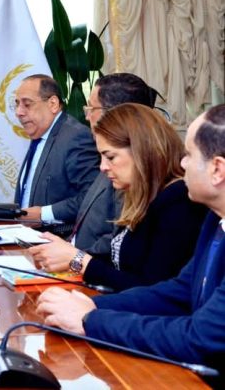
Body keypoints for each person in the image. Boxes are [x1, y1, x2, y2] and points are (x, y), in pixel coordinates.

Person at [36, 104, 225, 377]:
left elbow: (199, 339)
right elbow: (178, 292)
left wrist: (91, 320)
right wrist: (92, 306)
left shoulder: (187, 207)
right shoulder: (215, 221)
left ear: (217, 169)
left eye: (189, 155)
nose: (182, 164)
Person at [31, 103, 207, 291]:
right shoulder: (139, 192)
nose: (102, 167)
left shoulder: (178, 202)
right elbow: (118, 265)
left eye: (110, 157)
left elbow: (153, 289)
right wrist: (68, 254)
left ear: (141, 151)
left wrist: (78, 260)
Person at [38, 73, 159, 259]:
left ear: (114, 113)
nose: (87, 116)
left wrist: (76, 258)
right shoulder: (109, 158)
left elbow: (118, 238)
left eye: (91, 108)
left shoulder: (133, 166)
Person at [13, 75, 99, 225]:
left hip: (59, 236)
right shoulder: (40, 133)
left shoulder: (76, 137)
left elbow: (92, 198)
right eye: (17, 104)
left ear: (53, 104)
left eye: (27, 104)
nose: (19, 112)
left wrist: (43, 214)